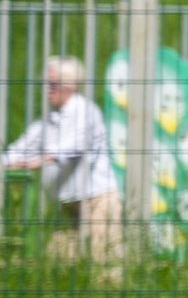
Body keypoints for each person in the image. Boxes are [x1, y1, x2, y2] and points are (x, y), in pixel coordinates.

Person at [2, 55, 121, 265]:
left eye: (53, 83)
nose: (48, 88)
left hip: (97, 202)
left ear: (70, 85)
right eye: (46, 82)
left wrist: (42, 159)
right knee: (59, 262)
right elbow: (23, 146)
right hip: (69, 204)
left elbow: (76, 146)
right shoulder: (50, 118)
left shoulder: (86, 111)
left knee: (104, 264)